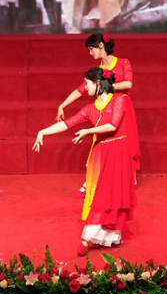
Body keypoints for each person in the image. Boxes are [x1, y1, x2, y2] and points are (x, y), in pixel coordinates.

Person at [33, 68, 137, 256]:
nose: (85, 87)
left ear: (98, 83)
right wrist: (43, 132)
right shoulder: (89, 109)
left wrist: (88, 131)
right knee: (101, 195)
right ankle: (90, 237)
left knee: (114, 193)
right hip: (102, 154)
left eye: (87, 83)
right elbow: (68, 123)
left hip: (119, 152)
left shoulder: (118, 100)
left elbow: (113, 125)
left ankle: (104, 236)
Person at [55, 33, 140, 189]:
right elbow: (80, 90)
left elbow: (128, 84)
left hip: (123, 105)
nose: (90, 53)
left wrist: (106, 87)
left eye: (91, 49)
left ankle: (129, 176)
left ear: (101, 45)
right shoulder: (98, 71)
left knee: (126, 141)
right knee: (105, 141)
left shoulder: (123, 62)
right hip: (106, 107)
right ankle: (99, 177)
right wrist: (63, 105)